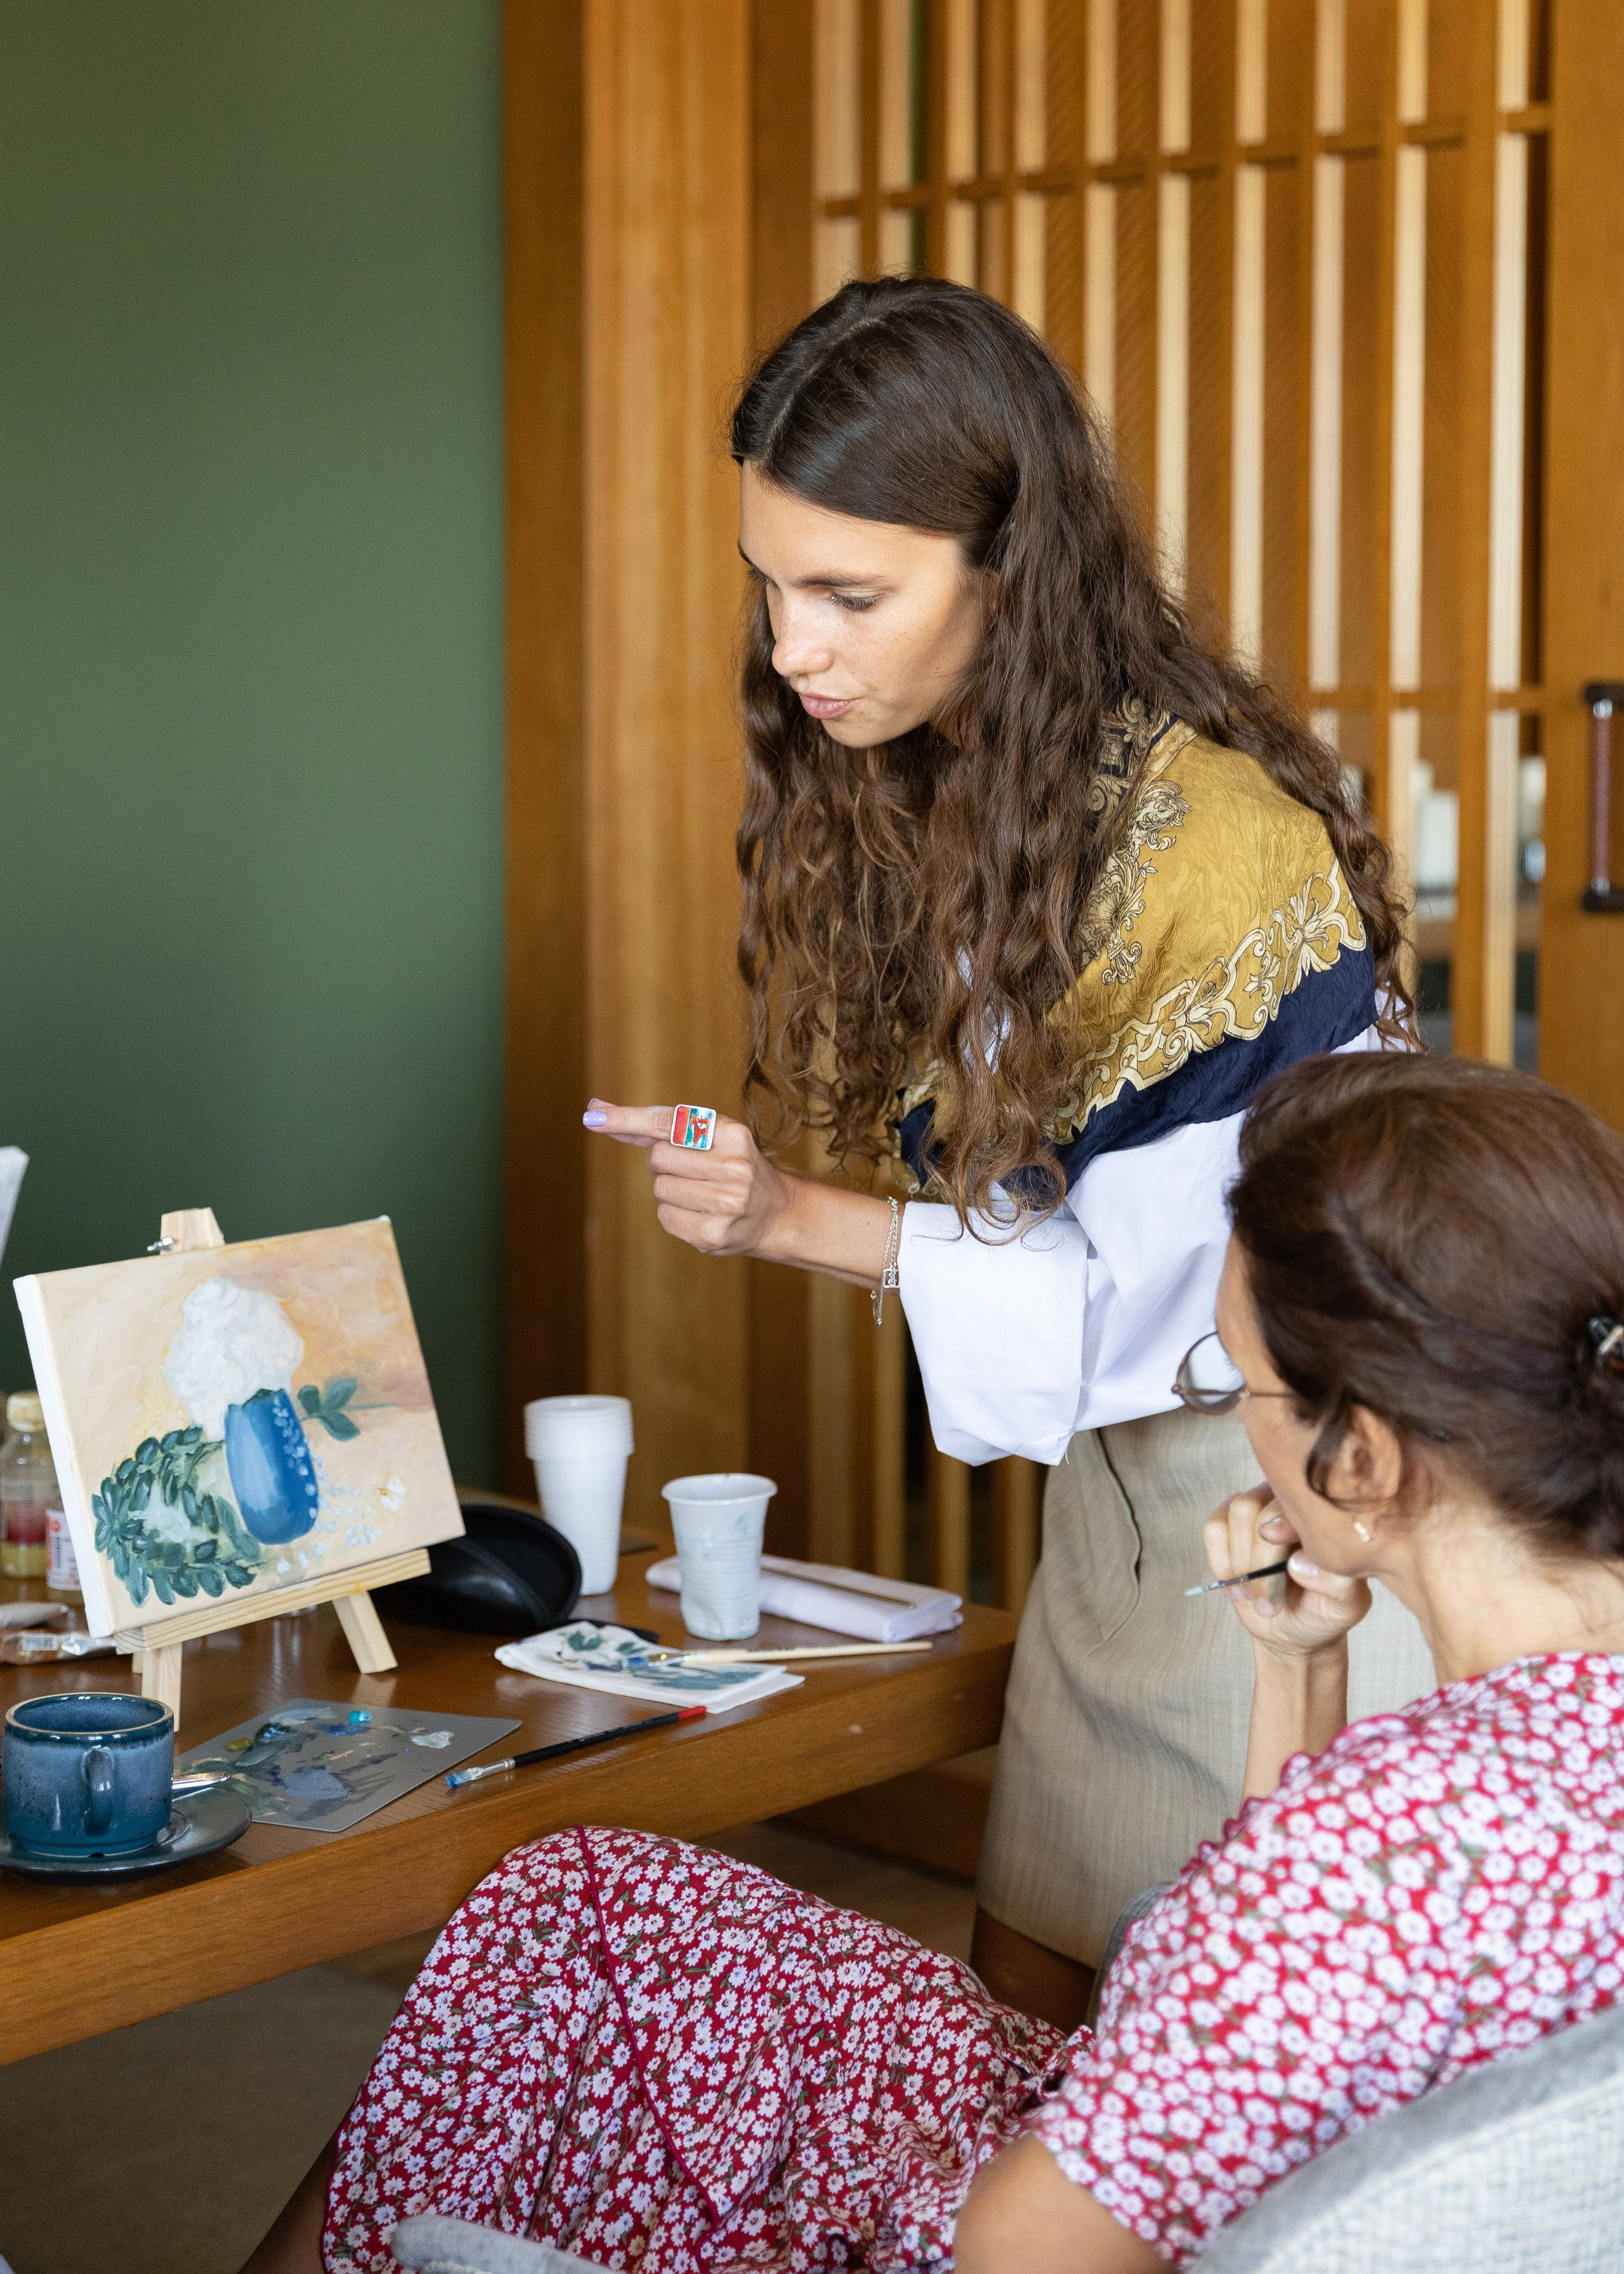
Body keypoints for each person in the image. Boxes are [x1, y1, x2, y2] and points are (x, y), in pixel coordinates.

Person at [245, 1054, 1624, 2273]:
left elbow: (1012, 2251)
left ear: (1364, 1455)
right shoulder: (1495, 1769)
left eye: (1233, 1380)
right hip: (1204, 2147)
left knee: (572, 2002)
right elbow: (1323, 2022)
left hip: (1057, 2194)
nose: (1234, 1419)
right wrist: (1296, 1668)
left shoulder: (1349, 1862)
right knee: (586, 1895)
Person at [581, 275, 1432, 2014]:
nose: (792, 646)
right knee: (1015, 2034)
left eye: (849, 594)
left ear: (1012, 570)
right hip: (1114, 1524)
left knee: (1212, 2089)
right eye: (770, 587)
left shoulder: (1218, 850)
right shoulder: (980, 800)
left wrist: (791, 1217)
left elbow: (1143, 1311)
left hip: (1295, 1538)